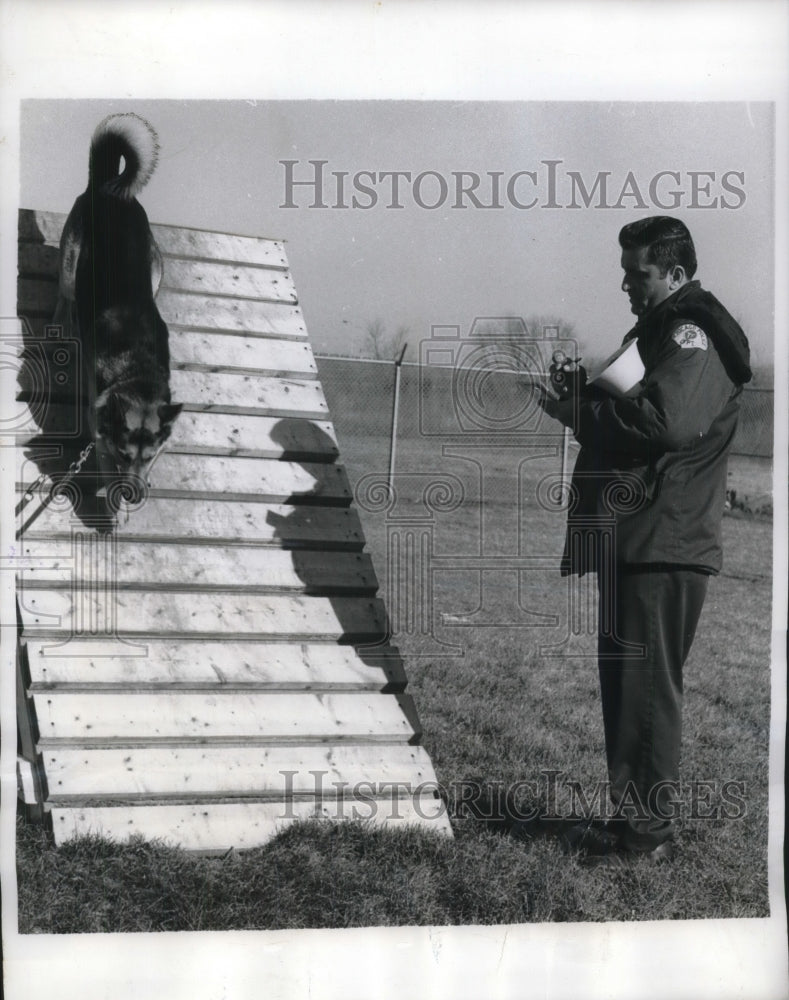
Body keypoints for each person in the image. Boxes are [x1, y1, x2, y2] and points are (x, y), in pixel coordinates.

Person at [537, 216, 752, 865]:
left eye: (640, 274)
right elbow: (638, 409)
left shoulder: (691, 335)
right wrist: (584, 398)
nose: (626, 284)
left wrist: (580, 412)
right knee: (630, 687)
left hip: (663, 537)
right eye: (626, 272)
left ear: (677, 273)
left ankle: (643, 836)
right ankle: (633, 821)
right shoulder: (663, 331)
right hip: (642, 534)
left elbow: (663, 422)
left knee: (646, 692)